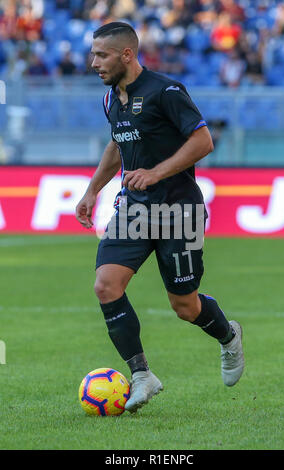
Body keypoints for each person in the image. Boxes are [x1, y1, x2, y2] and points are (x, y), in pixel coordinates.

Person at [75, 21, 244, 413]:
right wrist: (92, 189)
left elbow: (203, 140)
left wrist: (155, 172)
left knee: (184, 306)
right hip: (133, 209)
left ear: (127, 55)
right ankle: (141, 374)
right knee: (106, 285)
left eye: (101, 55)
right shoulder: (110, 99)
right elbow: (119, 144)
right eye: (93, 54)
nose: (93, 63)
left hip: (178, 211)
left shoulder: (166, 91)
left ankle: (228, 336)